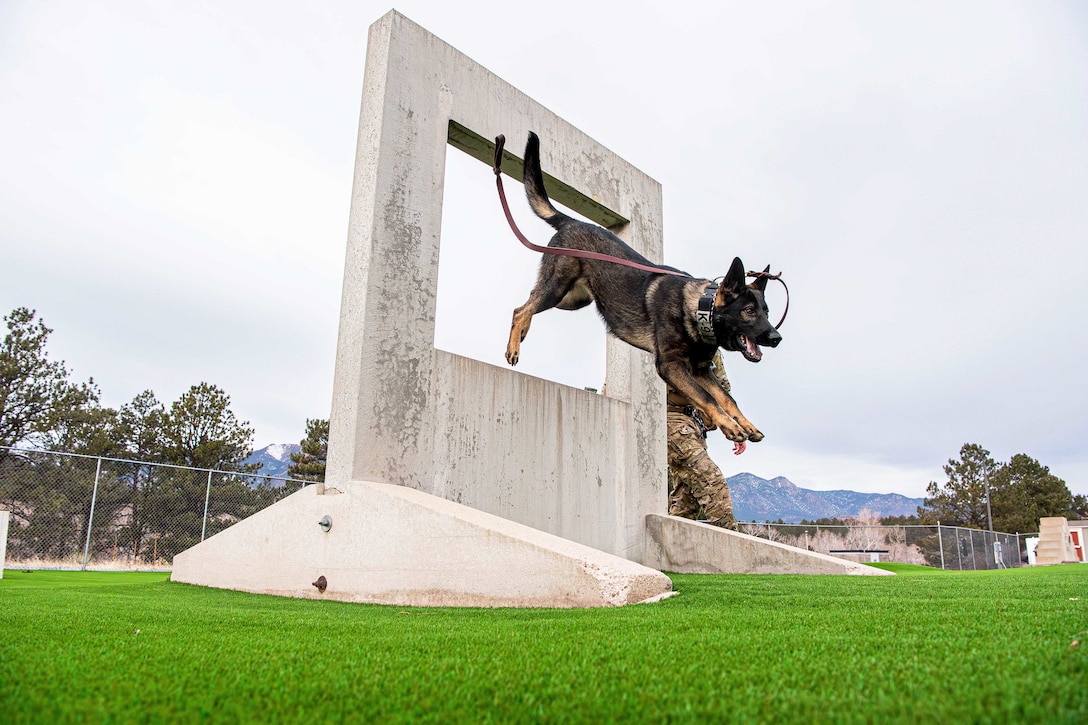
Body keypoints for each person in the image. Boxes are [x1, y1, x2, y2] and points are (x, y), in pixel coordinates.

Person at [666, 351, 744, 529]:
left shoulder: (709, 346)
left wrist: (734, 425)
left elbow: (721, 389)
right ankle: (731, 548)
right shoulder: (661, 335)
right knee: (712, 482)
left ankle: (672, 551)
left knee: (686, 502)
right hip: (668, 419)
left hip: (693, 423)